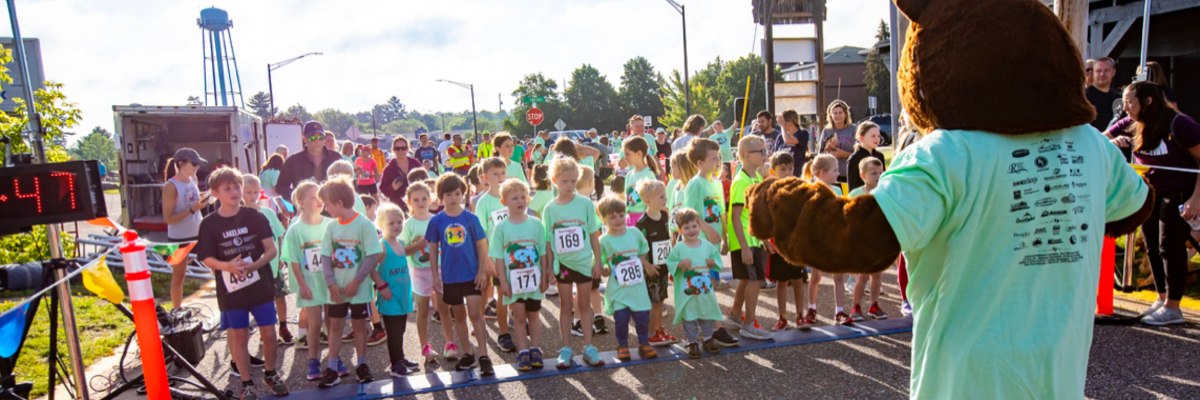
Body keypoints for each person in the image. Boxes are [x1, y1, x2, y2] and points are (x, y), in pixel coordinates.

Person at [1109, 81, 1200, 326]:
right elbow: (1101, 140)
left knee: (1169, 245)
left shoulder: (1179, 123)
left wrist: (1196, 199)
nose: (1124, 107)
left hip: (1181, 191)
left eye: (1130, 101)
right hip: (1150, 190)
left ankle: (1173, 307)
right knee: (1151, 243)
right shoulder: (1130, 123)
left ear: (1148, 101)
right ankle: (1161, 298)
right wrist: (1113, 144)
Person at [194, 167, 288, 399]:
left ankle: (271, 373)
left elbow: (271, 249)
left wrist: (254, 265)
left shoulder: (255, 217)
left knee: (268, 333)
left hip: (260, 285)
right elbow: (206, 257)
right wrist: (228, 266)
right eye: (228, 188)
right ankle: (246, 382)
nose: (234, 192)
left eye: (237, 186)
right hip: (231, 291)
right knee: (239, 335)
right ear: (215, 193)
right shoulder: (209, 224)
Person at [317, 178, 386, 386]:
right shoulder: (331, 227)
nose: (326, 209)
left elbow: (373, 255)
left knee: (359, 325)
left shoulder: (364, 224)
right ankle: (332, 367)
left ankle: (362, 364)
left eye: (327, 204)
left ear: (338, 203)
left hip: (360, 289)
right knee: (335, 325)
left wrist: (357, 281)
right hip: (337, 289)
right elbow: (326, 257)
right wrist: (330, 283)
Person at [426, 173, 496, 375]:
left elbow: (482, 245)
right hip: (450, 277)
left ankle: (483, 355)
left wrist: (482, 271)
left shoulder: (470, 218)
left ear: (463, 195)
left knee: (476, 314)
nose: (453, 198)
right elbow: (432, 249)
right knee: (459, 316)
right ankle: (467, 353)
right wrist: (435, 276)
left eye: (457, 193)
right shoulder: (436, 221)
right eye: (448, 194)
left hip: (472, 275)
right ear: (441, 197)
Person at [542, 158, 605, 369]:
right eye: (564, 181)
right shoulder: (550, 209)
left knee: (584, 304)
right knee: (566, 305)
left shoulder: (586, 204)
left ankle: (588, 346)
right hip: (563, 265)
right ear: (554, 181)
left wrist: (598, 261)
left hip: (584, 262)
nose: (569, 185)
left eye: (572, 181)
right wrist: (550, 267)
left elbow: (594, 234)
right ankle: (566, 348)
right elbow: (549, 241)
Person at [490, 178, 550, 371]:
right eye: (514, 198)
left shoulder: (536, 224)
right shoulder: (501, 228)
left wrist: (546, 274)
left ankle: (535, 348)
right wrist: (503, 281)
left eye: (523, 196)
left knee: (534, 314)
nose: (519, 201)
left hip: (534, 280)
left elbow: (542, 252)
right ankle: (523, 350)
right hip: (513, 282)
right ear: (504, 202)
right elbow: (498, 257)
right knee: (518, 316)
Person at [669, 208, 740, 358]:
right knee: (689, 316)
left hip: (705, 290)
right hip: (687, 291)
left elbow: (717, 261)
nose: (691, 230)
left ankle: (708, 338)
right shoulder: (678, 248)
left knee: (706, 313)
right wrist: (680, 264)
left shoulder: (707, 245)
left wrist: (713, 262)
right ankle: (692, 341)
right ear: (680, 230)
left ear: (700, 227)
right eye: (686, 227)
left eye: (694, 226)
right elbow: (670, 263)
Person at [596, 195, 659, 361]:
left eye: (621, 215)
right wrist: (604, 269)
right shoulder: (603, 241)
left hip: (637, 287)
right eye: (612, 217)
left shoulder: (634, 232)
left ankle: (644, 344)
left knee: (642, 318)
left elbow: (643, 249)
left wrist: (644, 263)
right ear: (603, 219)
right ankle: (622, 346)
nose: (618, 219)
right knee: (621, 319)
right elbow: (599, 262)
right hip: (618, 289)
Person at [281, 181, 332, 380]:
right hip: (310, 283)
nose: (318, 201)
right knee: (314, 321)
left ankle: (334, 358)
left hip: (329, 281)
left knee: (332, 320)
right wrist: (302, 285)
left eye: (320, 196)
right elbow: (292, 260)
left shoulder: (329, 224)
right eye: (312, 197)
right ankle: (313, 360)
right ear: (301, 202)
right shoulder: (296, 229)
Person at [400, 182, 456, 366]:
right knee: (423, 310)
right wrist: (418, 246)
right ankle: (425, 346)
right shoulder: (408, 225)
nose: (421, 202)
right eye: (416, 200)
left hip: (439, 269)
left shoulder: (437, 219)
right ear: (409, 202)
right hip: (419, 271)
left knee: (443, 308)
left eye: (424, 198)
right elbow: (402, 250)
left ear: (430, 199)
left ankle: (450, 343)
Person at [724, 136, 773, 340]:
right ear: (745, 155)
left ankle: (736, 315)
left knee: (747, 279)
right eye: (760, 151)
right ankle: (749, 323)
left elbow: (755, 213)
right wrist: (744, 246)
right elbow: (735, 217)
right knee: (755, 280)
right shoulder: (741, 181)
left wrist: (763, 239)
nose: (765, 154)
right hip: (745, 240)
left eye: (765, 150)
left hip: (753, 238)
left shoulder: (755, 178)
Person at [800, 154, 852, 326]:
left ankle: (840, 311)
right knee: (816, 277)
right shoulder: (809, 191)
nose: (838, 173)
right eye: (835, 170)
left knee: (838, 277)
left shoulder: (837, 191)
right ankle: (812, 309)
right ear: (821, 172)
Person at [473, 158, 517, 353]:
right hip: (492, 255)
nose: (500, 178)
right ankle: (498, 330)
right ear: (485, 178)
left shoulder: (511, 197)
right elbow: (481, 234)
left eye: (502, 173)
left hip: (512, 255)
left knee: (507, 292)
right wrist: (487, 259)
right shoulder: (483, 203)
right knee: (488, 291)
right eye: (495, 174)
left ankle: (507, 324)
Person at [242, 175, 292, 345]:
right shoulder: (241, 215)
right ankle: (266, 332)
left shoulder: (268, 212)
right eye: (248, 192)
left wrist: (280, 258)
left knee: (280, 295)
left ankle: (284, 326)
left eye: (256, 191)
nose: (252, 195)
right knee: (262, 300)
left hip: (273, 264)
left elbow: (278, 235)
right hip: (256, 265)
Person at [764, 152, 811, 331]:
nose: (787, 172)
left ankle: (800, 315)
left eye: (790, 168)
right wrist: (769, 241)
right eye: (782, 169)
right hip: (778, 244)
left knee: (798, 280)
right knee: (781, 282)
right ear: (773, 170)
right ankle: (782, 317)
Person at [374, 203, 418, 377]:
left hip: (402, 295)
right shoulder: (382, 245)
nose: (396, 226)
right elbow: (371, 269)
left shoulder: (400, 242)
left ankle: (400, 357)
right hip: (389, 295)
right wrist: (382, 286)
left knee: (400, 329)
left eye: (399, 222)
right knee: (393, 331)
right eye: (391, 223)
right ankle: (396, 364)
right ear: (381, 224)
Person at [634, 180, 679, 346]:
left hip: (664, 266)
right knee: (654, 301)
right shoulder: (642, 223)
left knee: (661, 300)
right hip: (651, 269)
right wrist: (647, 265)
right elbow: (637, 250)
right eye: (661, 197)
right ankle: (651, 333)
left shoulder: (665, 216)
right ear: (647, 201)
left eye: (665, 196)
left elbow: (666, 240)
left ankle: (659, 329)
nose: (665, 199)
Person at [163, 148, 208, 309]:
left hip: (198, 232)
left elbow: (195, 199)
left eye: (198, 164)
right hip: (179, 238)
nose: (197, 167)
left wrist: (206, 198)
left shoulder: (193, 179)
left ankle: (227, 306)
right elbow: (168, 219)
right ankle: (177, 310)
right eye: (194, 164)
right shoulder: (171, 186)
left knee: (216, 266)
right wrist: (193, 209)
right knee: (178, 277)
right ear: (181, 164)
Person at [847, 157, 889, 322]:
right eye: (873, 173)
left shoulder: (885, 192)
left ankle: (874, 305)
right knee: (863, 276)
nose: (878, 176)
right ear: (863, 175)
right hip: (862, 243)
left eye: (880, 173)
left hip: (879, 242)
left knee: (877, 275)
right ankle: (856, 306)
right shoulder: (856, 194)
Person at [276, 121, 343, 201]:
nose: (317, 141)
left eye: (320, 137)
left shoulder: (336, 158)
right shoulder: (293, 161)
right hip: (305, 210)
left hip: (332, 209)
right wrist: (298, 197)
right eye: (312, 138)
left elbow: (346, 183)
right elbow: (281, 187)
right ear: (304, 139)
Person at [815, 101, 857, 181]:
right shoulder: (827, 131)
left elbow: (859, 153)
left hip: (850, 172)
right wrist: (828, 148)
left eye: (840, 112)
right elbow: (820, 154)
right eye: (835, 113)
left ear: (846, 114)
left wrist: (844, 154)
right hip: (831, 174)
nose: (838, 115)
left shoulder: (853, 129)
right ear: (831, 115)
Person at [622, 136, 660, 226]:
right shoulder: (629, 175)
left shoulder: (648, 174)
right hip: (629, 218)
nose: (625, 158)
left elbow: (653, 200)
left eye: (628, 154)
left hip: (643, 219)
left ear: (639, 154)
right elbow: (626, 198)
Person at [380, 137, 423, 208]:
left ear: (408, 149)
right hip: (398, 206)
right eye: (397, 148)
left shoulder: (415, 163)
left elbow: (425, 181)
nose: (400, 151)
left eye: (403, 148)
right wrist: (392, 187)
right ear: (393, 150)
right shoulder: (389, 169)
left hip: (417, 204)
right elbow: (383, 190)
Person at [846, 122, 886, 193]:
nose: (876, 139)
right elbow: (852, 186)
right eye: (873, 136)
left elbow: (884, 178)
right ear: (861, 138)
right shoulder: (854, 158)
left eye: (878, 136)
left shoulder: (880, 156)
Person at [1086, 57, 1122, 132]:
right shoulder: (1084, 97)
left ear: (1113, 72)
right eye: (1098, 71)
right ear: (1093, 73)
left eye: (1106, 70)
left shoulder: (1118, 99)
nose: (1102, 74)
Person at [776, 109, 809, 177]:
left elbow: (788, 140)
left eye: (783, 121)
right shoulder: (780, 137)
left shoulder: (802, 134)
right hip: (781, 175)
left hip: (796, 173)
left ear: (790, 121)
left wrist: (783, 126)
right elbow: (775, 155)